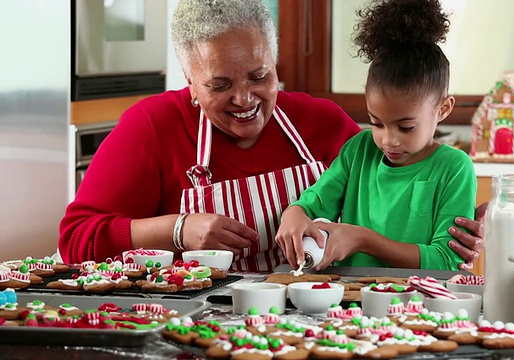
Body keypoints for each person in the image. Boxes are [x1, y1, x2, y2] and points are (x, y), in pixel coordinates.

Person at [58, 0, 485, 272]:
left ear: (276, 63)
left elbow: (404, 192)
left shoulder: (322, 123)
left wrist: (466, 228)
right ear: (190, 80)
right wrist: (177, 230)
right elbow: (76, 239)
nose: (245, 99)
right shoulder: (151, 127)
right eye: (219, 85)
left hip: (314, 324)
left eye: (260, 76)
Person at [276, 0, 477, 271]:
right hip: (350, 303)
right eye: (376, 123)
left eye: (406, 127)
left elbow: (445, 262)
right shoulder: (359, 149)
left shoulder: (454, 168)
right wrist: (294, 213)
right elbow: (313, 203)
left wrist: (363, 240)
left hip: (418, 304)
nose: (388, 140)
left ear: (443, 109)